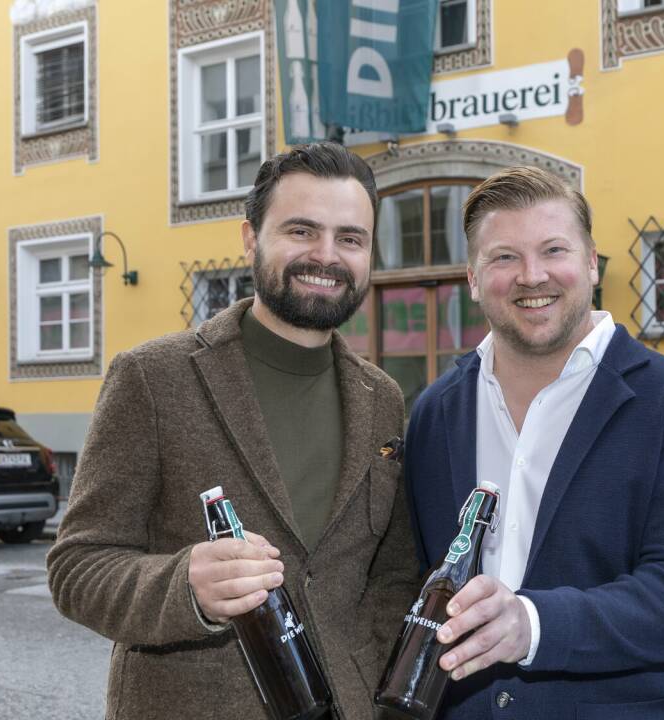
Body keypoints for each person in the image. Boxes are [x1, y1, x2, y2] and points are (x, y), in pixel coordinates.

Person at [47, 143, 418, 719]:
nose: (326, 255)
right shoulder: (152, 377)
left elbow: (391, 577)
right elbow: (77, 566)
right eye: (301, 230)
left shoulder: (384, 399)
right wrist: (184, 586)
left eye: (350, 238)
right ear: (251, 238)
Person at [403, 167, 664, 719]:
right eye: (504, 257)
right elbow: (413, 581)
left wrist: (533, 625)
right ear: (471, 277)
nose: (531, 276)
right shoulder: (436, 411)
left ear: (590, 262)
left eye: (553, 250)